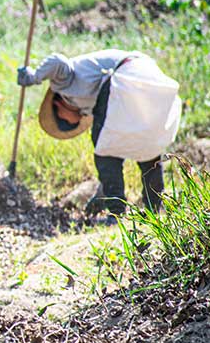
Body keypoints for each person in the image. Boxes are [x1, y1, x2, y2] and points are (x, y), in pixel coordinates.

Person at [17, 49, 181, 223]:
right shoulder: (91, 101)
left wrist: (34, 76)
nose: (72, 122)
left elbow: (58, 61)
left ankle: (116, 213)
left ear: (58, 105)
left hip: (126, 75)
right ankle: (153, 210)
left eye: (63, 121)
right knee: (147, 147)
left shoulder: (62, 86)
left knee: (103, 144)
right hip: (149, 76)